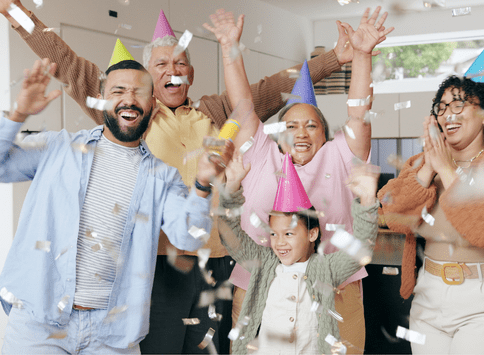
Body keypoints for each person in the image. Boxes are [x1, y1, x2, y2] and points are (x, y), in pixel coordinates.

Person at [0, 2, 359, 352]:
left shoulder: (214, 112)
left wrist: (334, 59)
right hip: (161, 264)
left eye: (181, 63)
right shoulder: (128, 116)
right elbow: (65, 60)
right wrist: (16, 12)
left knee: (208, 347)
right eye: (161, 64)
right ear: (146, 80)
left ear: (190, 74)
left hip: (217, 259)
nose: (173, 69)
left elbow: (272, 87)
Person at [0, 56, 231, 353]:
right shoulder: (58, 147)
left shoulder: (163, 177)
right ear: (100, 101)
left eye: (139, 93)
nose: (129, 100)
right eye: (118, 91)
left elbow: (189, 235)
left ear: (154, 106)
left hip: (112, 336)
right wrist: (18, 113)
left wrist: (202, 184)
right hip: (39, 325)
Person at [203, 7, 393, 352]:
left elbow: (358, 113)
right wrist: (229, 47)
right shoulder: (262, 154)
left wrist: (362, 56)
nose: (301, 134)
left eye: (311, 126)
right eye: (291, 126)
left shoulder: (339, 153)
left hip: (336, 287)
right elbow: (243, 105)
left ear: (325, 133)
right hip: (259, 287)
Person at [378, 42, 484, 354]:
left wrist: (446, 170)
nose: (448, 114)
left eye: (459, 105)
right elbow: (392, 216)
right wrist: (427, 169)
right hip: (429, 295)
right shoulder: (422, 165)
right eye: (442, 107)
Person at [217, 148, 379, 354]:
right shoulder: (264, 262)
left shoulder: (326, 268)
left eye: (289, 234)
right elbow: (230, 237)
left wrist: (367, 201)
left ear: (312, 234)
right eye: (274, 234)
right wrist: (231, 188)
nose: (279, 243)